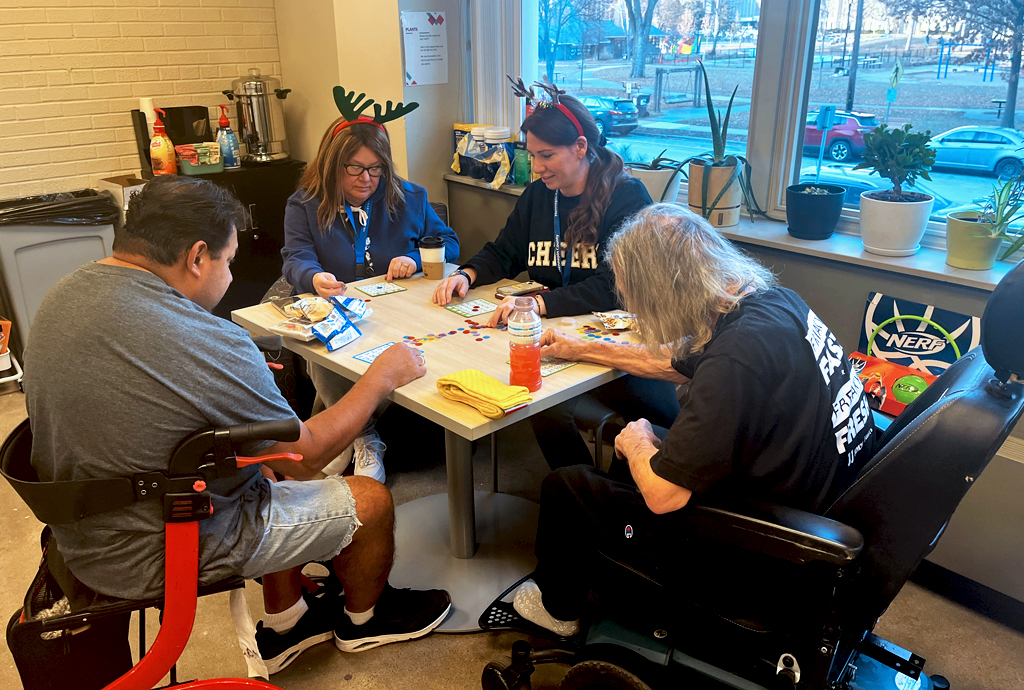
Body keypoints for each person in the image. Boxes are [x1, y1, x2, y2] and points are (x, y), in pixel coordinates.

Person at [24, 175, 451, 674]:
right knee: (369, 499)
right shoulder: (198, 335)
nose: (229, 276)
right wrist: (381, 377)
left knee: (267, 467)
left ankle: (290, 623)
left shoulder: (64, 293)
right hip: (154, 544)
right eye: (228, 261)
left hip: (83, 527)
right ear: (197, 256)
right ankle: (364, 622)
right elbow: (307, 452)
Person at [509, 204, 877, 636]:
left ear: (666, 290)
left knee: (568, 487)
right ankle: (620, 571)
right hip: (812, 501)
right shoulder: (771, 305)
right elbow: (675, 360)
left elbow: (664, 497)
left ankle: (558, 612)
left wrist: (637, 443)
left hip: (762, 549)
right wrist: (581, 347)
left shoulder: (735, 360)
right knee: (637, 458)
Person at [431, 87, 678, 469]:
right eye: (532, 156)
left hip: (618, 346)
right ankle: (578, 489)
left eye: (547, 155)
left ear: (581, 147)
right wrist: (468, 272)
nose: (537, 166)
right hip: (555, 335)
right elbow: (505, 250)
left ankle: (599, 494)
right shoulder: (538, 195)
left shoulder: (627, 197)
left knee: (661, 424)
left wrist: (538, 304)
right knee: (537, 400)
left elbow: (613, 287)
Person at [282, 113, 459, 483]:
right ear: (333, 165)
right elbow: (295, 257)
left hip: (400, 307)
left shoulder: (411, 196)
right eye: (355, 168)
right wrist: (314, 278)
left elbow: (449, 242)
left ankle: (334, 435)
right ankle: (363, 438)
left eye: (376, 169)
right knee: (321, 347)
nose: (366, 179)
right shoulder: (305, 204)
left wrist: (414, 259)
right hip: (339, 306)